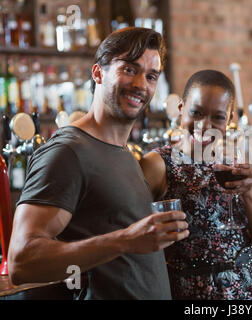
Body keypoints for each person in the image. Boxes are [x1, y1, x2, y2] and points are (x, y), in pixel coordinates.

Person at [7, 27, 189, 300]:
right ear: (97, 73)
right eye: (129, 69)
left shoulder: (125, 153)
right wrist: (125, 240)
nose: (141, 84)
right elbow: (22, 262)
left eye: (151, 76)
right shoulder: (67, 151)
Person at [140, 70, 252, 299]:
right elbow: (135, 239)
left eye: (218, 117)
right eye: (196, 112)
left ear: (230, 118)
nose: (205, 125)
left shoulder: (233, 165)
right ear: (181, 108)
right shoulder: (158, 164)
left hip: (250, 292)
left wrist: (250, 191)